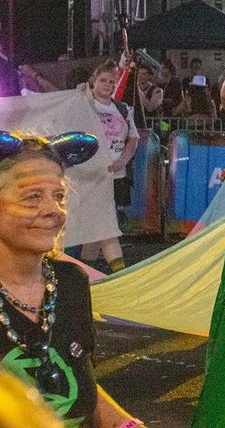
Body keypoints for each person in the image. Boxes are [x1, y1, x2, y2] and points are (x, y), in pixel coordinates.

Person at [0, 131, 143, 427]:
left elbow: (80, 382)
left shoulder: (70, 282)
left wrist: (125, 424)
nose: (53, 210)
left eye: (59, 196)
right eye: (32, 197)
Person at [82, 61, 136, 273]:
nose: (107, 85)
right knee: (105, 225)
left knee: (96, 229)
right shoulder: (84, 105)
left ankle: (86, 275)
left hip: (116, 175)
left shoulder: (121, 108)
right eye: (103, 80)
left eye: (111, 82)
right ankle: (120, 274)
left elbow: (133, 139)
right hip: (92, 176)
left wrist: (122, 160)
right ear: (93, 82)